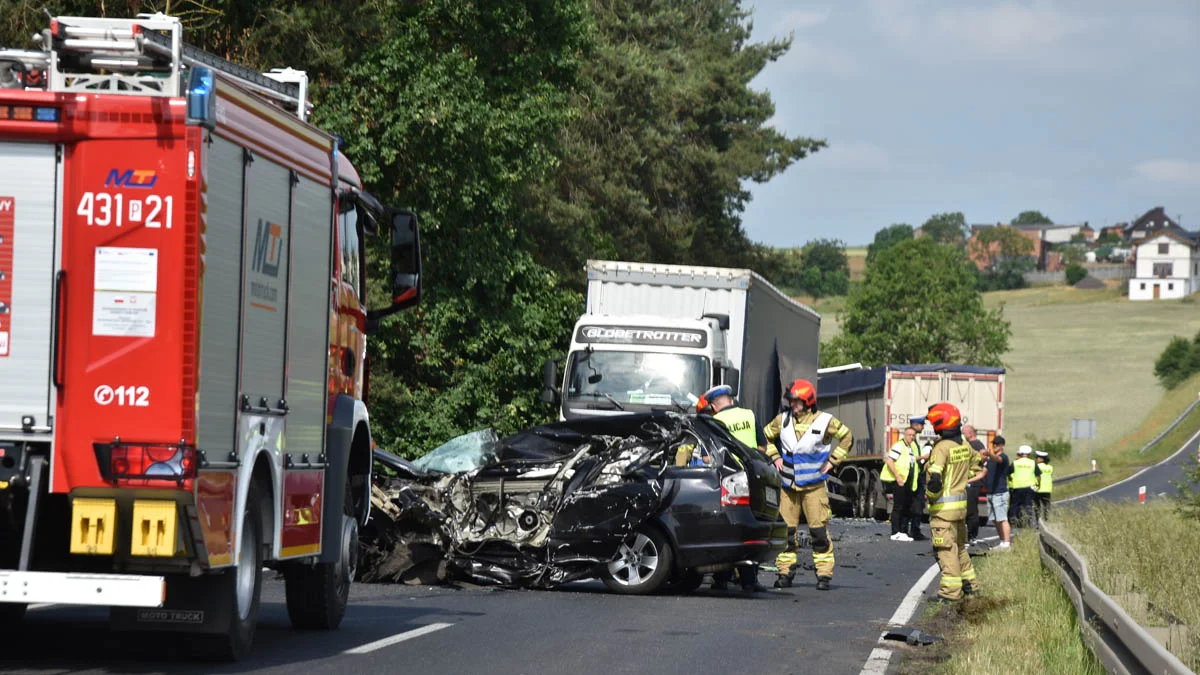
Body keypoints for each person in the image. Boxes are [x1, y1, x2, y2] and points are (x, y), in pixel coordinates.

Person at [763, 378, 853, 591]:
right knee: (786, 532)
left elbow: (847, 437)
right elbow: (765, 436)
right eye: (791, 400)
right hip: (788, 487)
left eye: (797, 401)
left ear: (808, 401)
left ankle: (823, 575)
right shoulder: (782, 420)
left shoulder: (825, 421)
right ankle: (785, 572)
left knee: (819, 532)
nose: (793, 404)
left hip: (814, 487)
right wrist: (774, 455)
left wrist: (833, 461)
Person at [695, 385, 769, 593]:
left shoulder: (716, 422)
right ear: (730, 400)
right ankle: (749, 580)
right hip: (752, 477)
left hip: (730, 480)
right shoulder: (749, 415)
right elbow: (762, 447)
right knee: (751, 527)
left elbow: (706, 457)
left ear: (713, 406)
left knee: (726, 527)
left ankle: (722, 578)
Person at [923, 402, 980, 601]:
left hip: (943, 512)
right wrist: (962, 477)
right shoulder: (964, 445)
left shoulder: (942, 447)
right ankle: (971, 586)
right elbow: (978, 465)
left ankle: (950, 593)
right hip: (960, 510)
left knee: (946, 551)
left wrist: (929, 494)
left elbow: (935, 480)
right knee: (960, 548)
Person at [882, 427, 921, 541]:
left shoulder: (911, 447)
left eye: (913, 435)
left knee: (907, 507)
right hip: (900, 480)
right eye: (909, 435)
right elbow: (890, 461)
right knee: (898, 506)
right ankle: (895, 532)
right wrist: (897, 476)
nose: (912, 437)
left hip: (908, 481)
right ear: (905, 435)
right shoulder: (899, 446)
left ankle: (903, 531)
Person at [983, 436, 1013, 549]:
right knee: (995, 520)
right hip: (991, 493)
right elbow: (983, 473)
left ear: (1002, 446)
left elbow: (997, 459)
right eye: (994, 443)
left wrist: (989, 454)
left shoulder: (1003, 457)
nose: (995, 445)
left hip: (999, 493)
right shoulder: (990, 460)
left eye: (997, 444)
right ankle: (1002, 541)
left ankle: (1006, 543)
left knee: (1002, 519)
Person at [962, 425, 989, 542]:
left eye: (964, 433)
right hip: (967, 480)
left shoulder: (976, 444)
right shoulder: (968, 445)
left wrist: (976, 462)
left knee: (971, 509)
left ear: (970, 433)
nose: (963, 435)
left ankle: (972, 535)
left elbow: (984, 455)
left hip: (973, 481)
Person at [1009, 445, 1038, 527]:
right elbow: (1038, 475)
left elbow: (1008, 472)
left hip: (1017, 487)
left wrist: (1011, 479)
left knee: (1015, 505)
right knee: (1027, 505)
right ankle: (1026, 522)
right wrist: (1037, 484)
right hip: (1029, 487)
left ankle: (1013, 521)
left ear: (1020, 453)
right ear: (1029, 453)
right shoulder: (1033, 463)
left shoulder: (1015, 463)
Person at [1034, 450, 1053, 522]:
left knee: (1037, 507)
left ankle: (1038, 521)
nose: (1036, 459)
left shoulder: (1036, 466)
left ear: (1041, 459)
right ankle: (1046, 520)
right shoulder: (1050, 467)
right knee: (1046, 506)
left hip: (1037, 489)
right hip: (1047, 489)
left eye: (1037, 458)